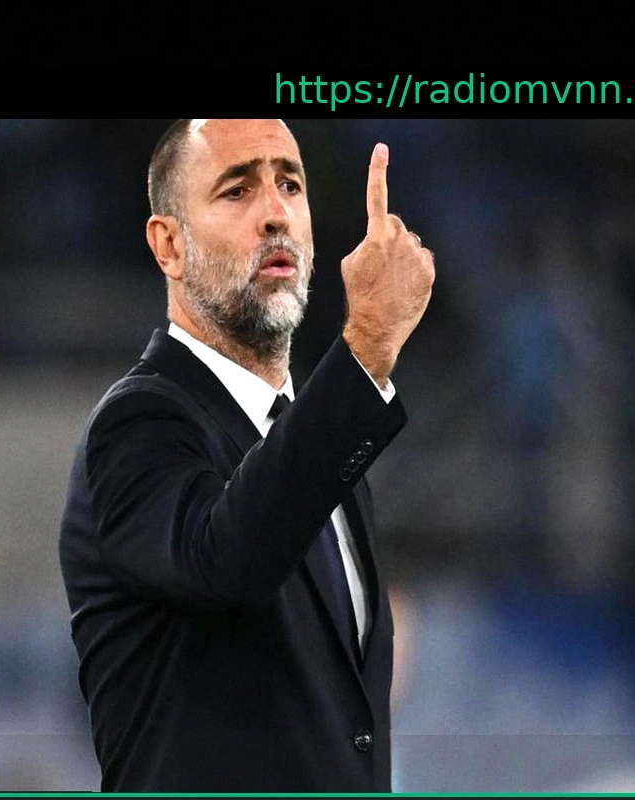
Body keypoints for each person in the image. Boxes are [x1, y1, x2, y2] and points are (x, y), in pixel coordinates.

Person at [59, 119, 434, 792]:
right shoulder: (138, 424)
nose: (275, 214)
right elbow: (226, 564)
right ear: (169, 244)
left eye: (290, 185)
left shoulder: (334, 462)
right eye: (236, 191)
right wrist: (367, 347)